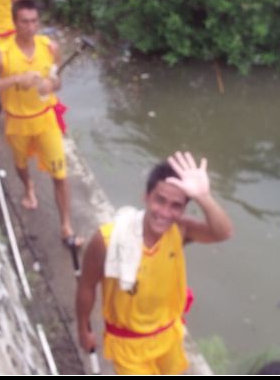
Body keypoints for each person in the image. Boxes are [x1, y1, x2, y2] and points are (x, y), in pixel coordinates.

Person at [76, 152, 234, 375]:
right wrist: (83, 329)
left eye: (176, 206)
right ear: (146, 197)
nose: (165, 213)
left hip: (167, 337)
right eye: (160, 200)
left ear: (183, 209)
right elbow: (87, 285)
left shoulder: (179, 229)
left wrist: (203, 197)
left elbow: (223, 232)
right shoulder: (107, 241)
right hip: (128, 345)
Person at [0, 0, 81, 246]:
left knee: (60, 174)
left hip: (45, 120)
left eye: (34, 21)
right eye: (24, 22)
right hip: (17, 122)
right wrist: (15, 79)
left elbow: (57, 80)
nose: (30, 27)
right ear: (14, 22)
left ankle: (66, 226)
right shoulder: (2, 54)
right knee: (21, 164)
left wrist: (51, 85)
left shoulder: (49, 47)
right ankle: (28, 187)